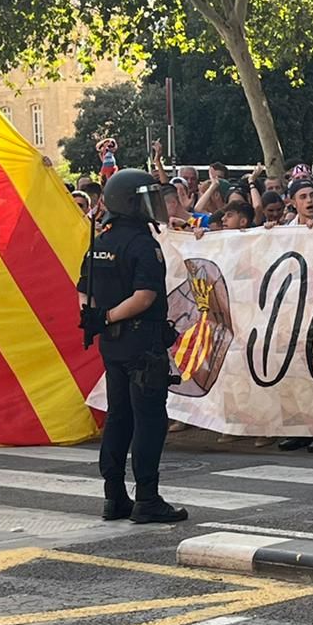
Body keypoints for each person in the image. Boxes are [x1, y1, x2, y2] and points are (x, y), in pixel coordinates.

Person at [77, 168, 187, 524]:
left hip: (112, 345)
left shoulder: (101, 242)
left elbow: (84, 290)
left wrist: (98, 318)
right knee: (149, 420)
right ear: (130, 202)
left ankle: (114, 496)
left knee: (118, 417)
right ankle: (147, 498)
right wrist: (110, 316)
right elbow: (145, 296)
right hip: (142, 343)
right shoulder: (142, 243)